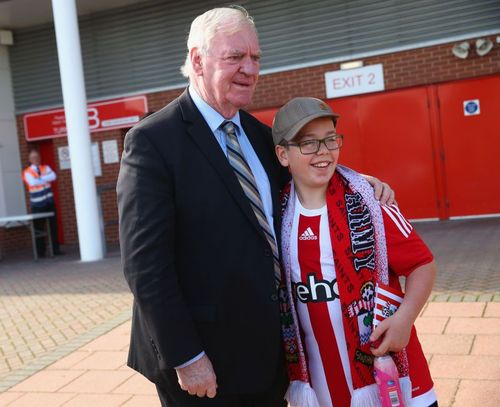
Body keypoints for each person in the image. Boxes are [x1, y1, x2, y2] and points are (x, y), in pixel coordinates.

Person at [117, 6, 395, 406]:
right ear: (197, 60)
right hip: (204, 363)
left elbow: (305, 178)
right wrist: (186, 356)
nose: (250, 68)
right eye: (235, 57)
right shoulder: (153, 141)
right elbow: (145, 265)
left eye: (256, 57)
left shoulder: (262, 136)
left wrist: (355, 182)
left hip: (273, 352)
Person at [273, 97, 438, 407]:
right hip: (320, 386)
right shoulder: (275, 215)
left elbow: (422, 264)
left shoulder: (371, 201)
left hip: (392, 378)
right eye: (308, 143)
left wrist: (404, 319)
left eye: (330, 139)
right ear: (283, 154)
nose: (323, 151)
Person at [22, 149, 62, 257]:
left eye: (37, 157)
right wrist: (44, 178)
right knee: (39, 229)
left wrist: (39, 178)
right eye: (34, 158)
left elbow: (53, 176)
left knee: (53, 227)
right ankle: (41, 252)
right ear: (30, 160)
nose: (36, 159)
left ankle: (55, 250)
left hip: (49, 202)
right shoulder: (27, 172)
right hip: (37, 204)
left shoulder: (46, 167)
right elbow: (32, 182)